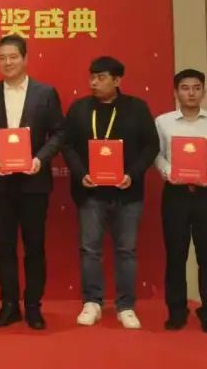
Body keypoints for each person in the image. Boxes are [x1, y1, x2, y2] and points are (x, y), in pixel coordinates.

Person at [62, 56, 160, 329]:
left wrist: (133, 174)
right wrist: (81, 173)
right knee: (90, 249)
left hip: (127, 192)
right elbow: (67, 145)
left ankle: (125, 306)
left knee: (126, 250)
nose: (94, 82)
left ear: (117, 80)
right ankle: (91, 302)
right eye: (92, 77)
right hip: (91, 193)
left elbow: (151, 146)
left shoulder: (137, 108)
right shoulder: (80, 109)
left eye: (101, 77)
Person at [0, 35, 66, 330]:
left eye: (13, 56)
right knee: (3, 246)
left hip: (33, 182)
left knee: (34, 246)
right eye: (2, 57)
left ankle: (33, 306)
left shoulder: (45, 93)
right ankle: (9, 305)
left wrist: (40, 158)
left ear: (25, 59)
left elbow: (59, 133)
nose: (7, 62)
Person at [154, 69, 207, 334]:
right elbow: (157, 154)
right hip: (175, 194)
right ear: (175, 92)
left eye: (196, 88)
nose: (191, 93)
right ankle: (176, 312)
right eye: (185, 88)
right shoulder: (163, 122)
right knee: (175, 255)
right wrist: (169, 172)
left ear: (203, 91)